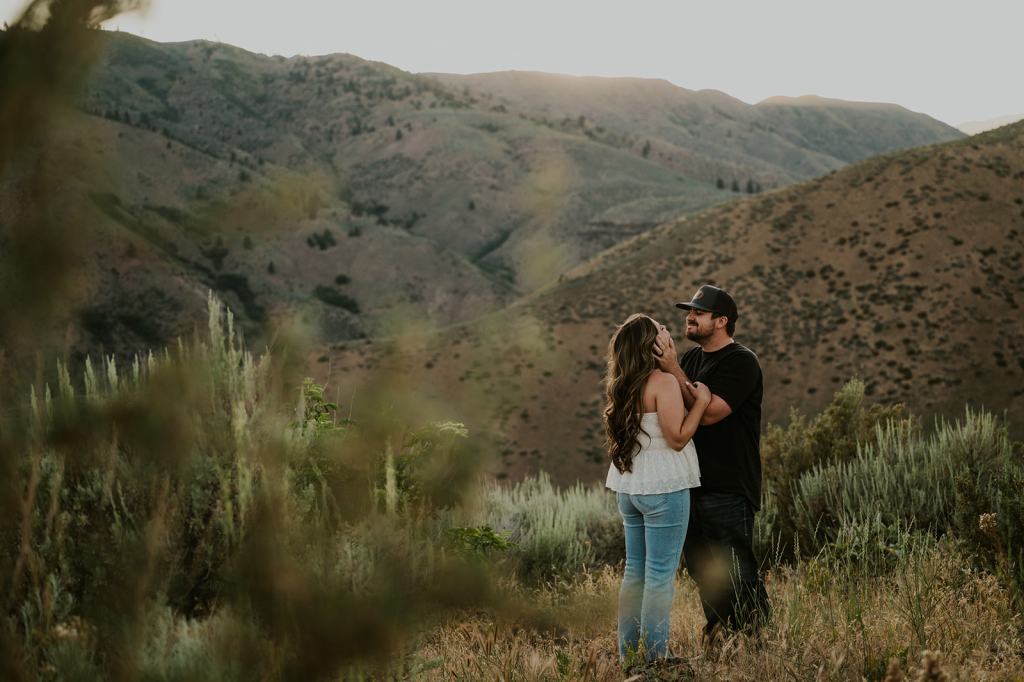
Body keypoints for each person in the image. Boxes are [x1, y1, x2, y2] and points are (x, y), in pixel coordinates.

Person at [653, 284, 770, 643]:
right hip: (690, 483)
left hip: (729, 486)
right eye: (689, 311)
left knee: (737, 568)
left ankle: (756, 642)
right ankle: (721, 638)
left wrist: (673, 369)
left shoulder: (741, 362)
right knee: (704, 569)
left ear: (721, 321)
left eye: (698, 312)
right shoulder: (690, 361)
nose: (689, 317)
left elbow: (710, 413)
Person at [603, 313, 712, 662]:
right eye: (661, 329)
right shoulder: (662, 382)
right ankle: (653, 661)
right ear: (652, 344)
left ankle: (628, 657)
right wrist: (703, 403)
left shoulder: (622, 385)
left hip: (630, 487)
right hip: (664, 487)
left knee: (634, 574)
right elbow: (678, 438)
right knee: (659, 579)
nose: (669, 331)